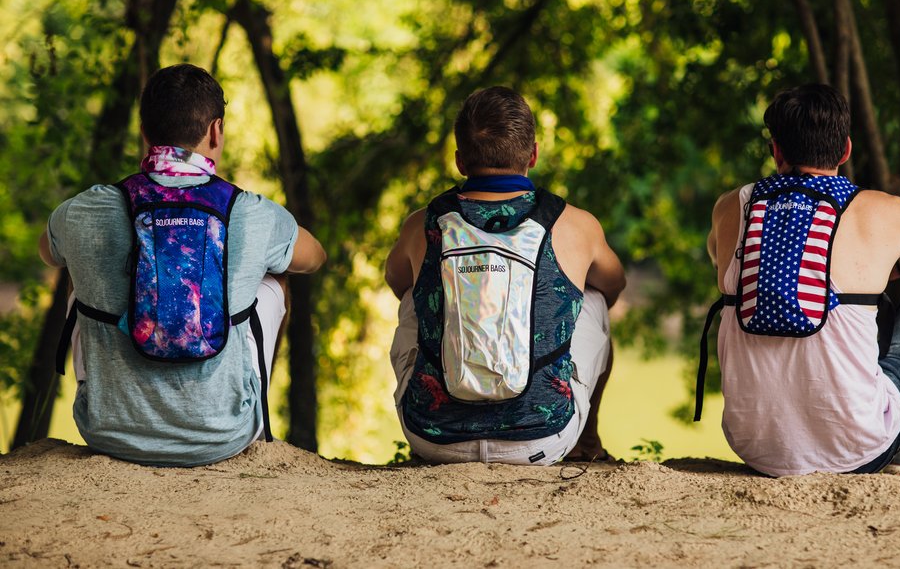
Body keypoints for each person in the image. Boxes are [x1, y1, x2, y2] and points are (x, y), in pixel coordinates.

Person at [39, 63, 326, 467]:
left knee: (77, 268)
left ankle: (114, 400)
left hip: (107, 432)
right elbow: (314, 258)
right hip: (223, 435)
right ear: (215, 130)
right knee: (276, 273)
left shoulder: (85, 207)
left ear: (144, 133)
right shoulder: (248, 210)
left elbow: (47, 253)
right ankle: (245, 407)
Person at [705, 83, 900, 477]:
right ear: (845, 150)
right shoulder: (882, 210)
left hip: (756, 448)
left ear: (776, 151)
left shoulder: (729, 208)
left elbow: (719, 262)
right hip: (860, 450)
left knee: (865, 303)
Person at [385, 86, 626, 465]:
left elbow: (396, 281)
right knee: (592, 296)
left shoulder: (423, 224)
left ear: (460, 161)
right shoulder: (574, 223)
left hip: (433, 439)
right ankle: (586, 442)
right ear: (533, 154)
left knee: (413, 295)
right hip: (544, 441)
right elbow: (614, 285)